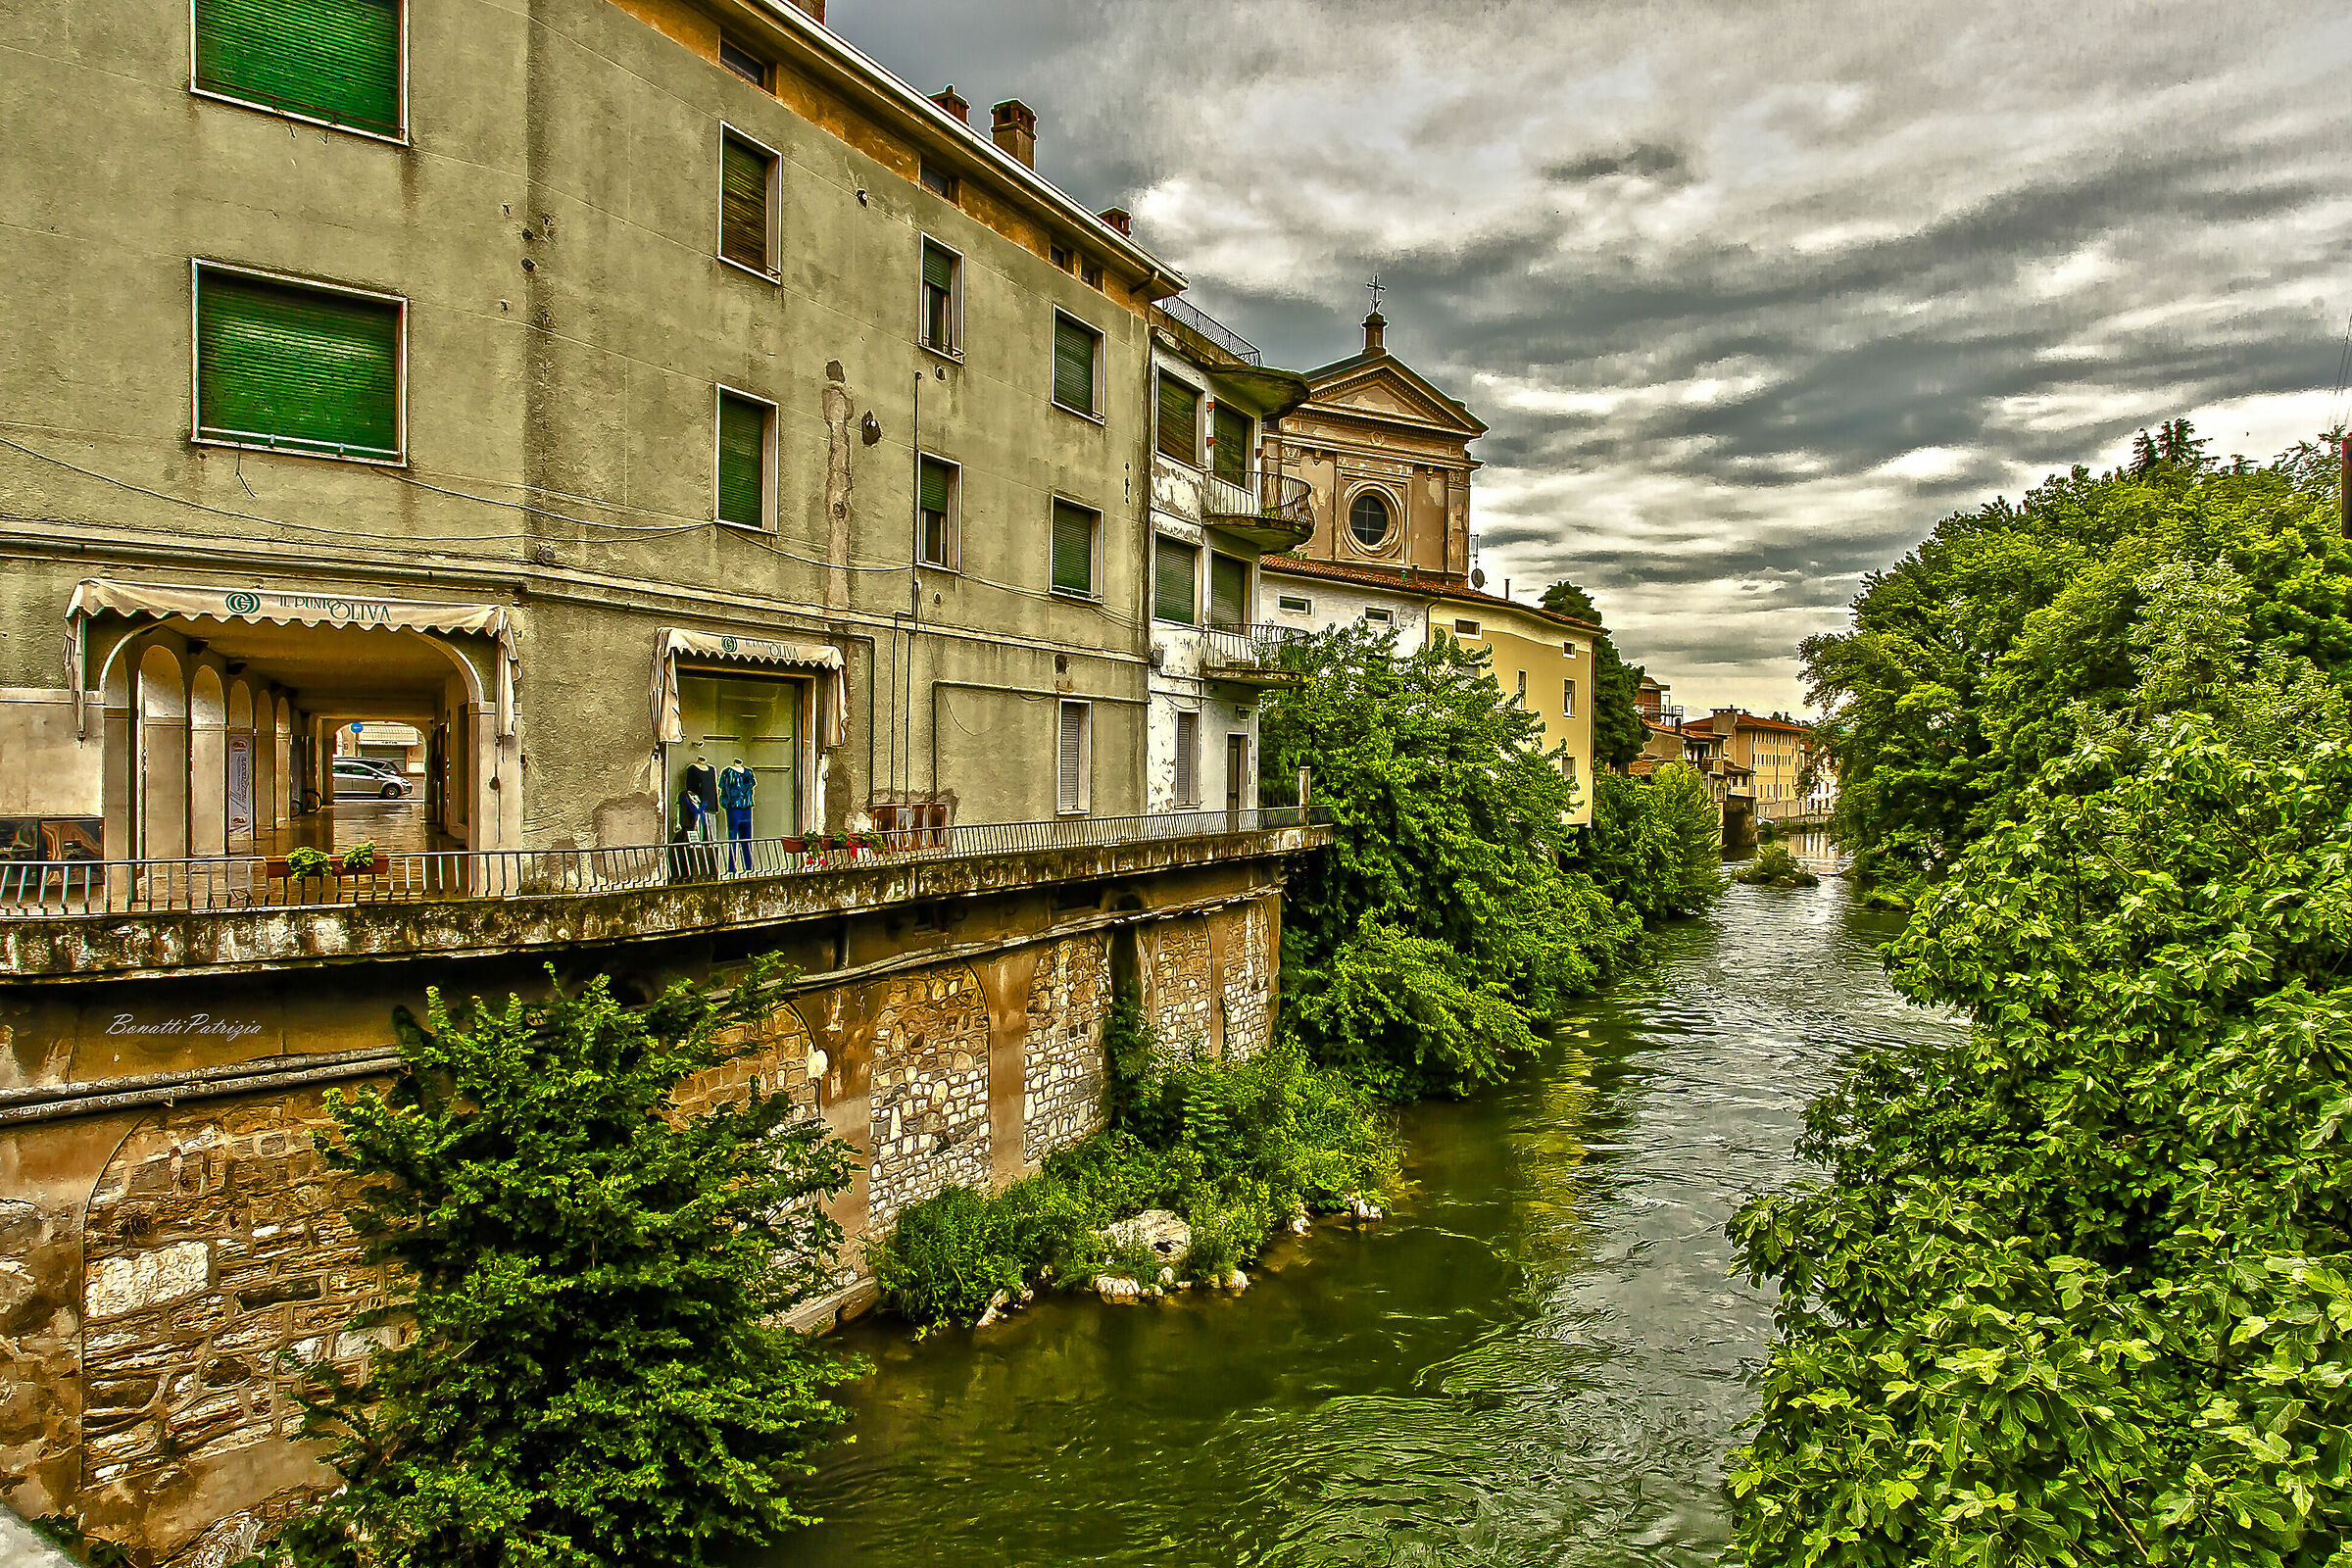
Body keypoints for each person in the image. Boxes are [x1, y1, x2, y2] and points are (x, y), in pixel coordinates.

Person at [718, 760, 757, 871]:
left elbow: (751, 786)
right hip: (733, 807)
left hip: (746, 807)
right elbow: (723, 789)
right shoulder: (727, 773)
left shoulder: (748, 773)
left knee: (747, 838)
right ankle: (731, 867)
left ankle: (748, 867)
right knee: (732, 837)